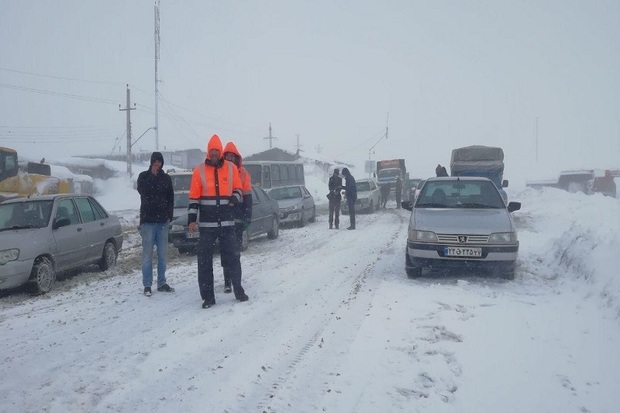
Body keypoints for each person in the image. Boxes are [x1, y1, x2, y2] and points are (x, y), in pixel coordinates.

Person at [188, 134, 249, 308]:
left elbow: (239, 188)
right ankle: (208, 297)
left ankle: (238, 290)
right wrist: (192, 220)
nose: (214, 153)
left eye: (217, 150)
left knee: (233, 258)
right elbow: (193, 198)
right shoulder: (199, 171)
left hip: (227, 223)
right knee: (204, 261)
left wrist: (234, 200)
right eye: (211, 150)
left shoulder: (230, 168)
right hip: (207, 226)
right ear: (208, 152)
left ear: (220, 151)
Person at [137, 151, 175, 297]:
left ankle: (162, 282)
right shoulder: (143, 177)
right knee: (147, 255)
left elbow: (170, 197)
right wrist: (152, 176)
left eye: (159, 162)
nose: (157, 164)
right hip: (148, 221)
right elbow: (142, 191)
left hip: (162, 222)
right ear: (151, 163)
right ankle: (147, 285)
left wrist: (169, 216)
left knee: (162, 255)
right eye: (155, 162)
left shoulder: (166, 179)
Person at [222, 141, 253, 293]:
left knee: (235, 252)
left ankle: (235, 281)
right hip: (222, 217)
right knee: (225, 250)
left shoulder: (243, 174)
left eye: (232, 156)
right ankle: (227, 281)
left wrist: (247, 217)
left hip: (238, 217)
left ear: (236, 158)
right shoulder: (219, 172)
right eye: (227, 156)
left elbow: (248, 197)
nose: (229, 159)